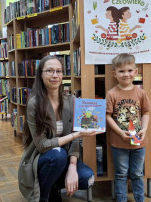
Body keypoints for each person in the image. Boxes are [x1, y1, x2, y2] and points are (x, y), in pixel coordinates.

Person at [18, 55, 98, 202]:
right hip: (42, 158)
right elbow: (42, 146)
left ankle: (53, 186)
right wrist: (76, 135)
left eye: (59, 71)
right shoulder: (34, 103)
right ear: (41, 75)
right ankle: (43, 197)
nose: (55, 75)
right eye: (49, 71)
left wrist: (73, 167)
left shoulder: (71, 100)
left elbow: (74, 140)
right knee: (58, 154)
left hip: (63, 157)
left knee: (87, 178)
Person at [106, 53, 151, 202]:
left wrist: (144, 129)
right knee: (121, 174)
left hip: (138, 142)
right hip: (118, 143)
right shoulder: (111, 94)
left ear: (135, 72)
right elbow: (107, 116)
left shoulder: (141, 93)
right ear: (114, 74)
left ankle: (140, 199)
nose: (126, 74)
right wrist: (119, 132)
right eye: (121, 71)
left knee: (137, 174)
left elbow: (145, 113)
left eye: (130, 70)